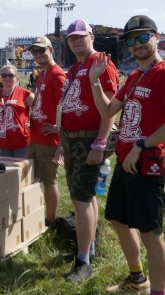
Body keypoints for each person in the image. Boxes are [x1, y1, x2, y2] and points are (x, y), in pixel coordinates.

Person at [89, 15, 165, 294]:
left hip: (147, 162)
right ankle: (137, 279)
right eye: (132, 40)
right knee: (119, 221)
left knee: (151, 233)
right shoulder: (134, 76)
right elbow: (108, 111)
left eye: (143, 37)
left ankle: (158, 291)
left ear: (156, 37)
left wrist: (140, 146)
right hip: (126, 160)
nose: (138, 44)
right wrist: (95, 82)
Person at [57, 19, 119, 282]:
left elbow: (110, 107)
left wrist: (100, 143)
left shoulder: (100, 64)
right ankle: (87, 248)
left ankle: (83, 261)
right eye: (72, 38)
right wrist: (62, 139)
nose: (76, 41)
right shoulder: (74, 68)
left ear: (91, 37)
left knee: (81, 200)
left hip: (88, 140)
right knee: (84, 196)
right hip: (71, 139)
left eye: (81, 37)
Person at [26, 36, 66, 225]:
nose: (39, 55)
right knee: (34, 177)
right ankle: (36, 212)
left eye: (42, 50)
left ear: (51, 50)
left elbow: (66, 103)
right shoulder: (42, 73)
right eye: (35, 52)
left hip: (49, 138)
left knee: (49, 180)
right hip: (36, 134)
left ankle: (50, 220)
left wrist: (59, 127)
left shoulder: (57, 74)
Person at [0, 64, 34, 158]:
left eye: (10, 75)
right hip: (1, 143)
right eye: (4, 75)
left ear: (16, 78)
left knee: (22, 171)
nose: (7, 78)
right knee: (5, 171)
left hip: (22, 143)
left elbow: (39, 109)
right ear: (0, 78)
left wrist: (33, 122)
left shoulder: (25, 94)